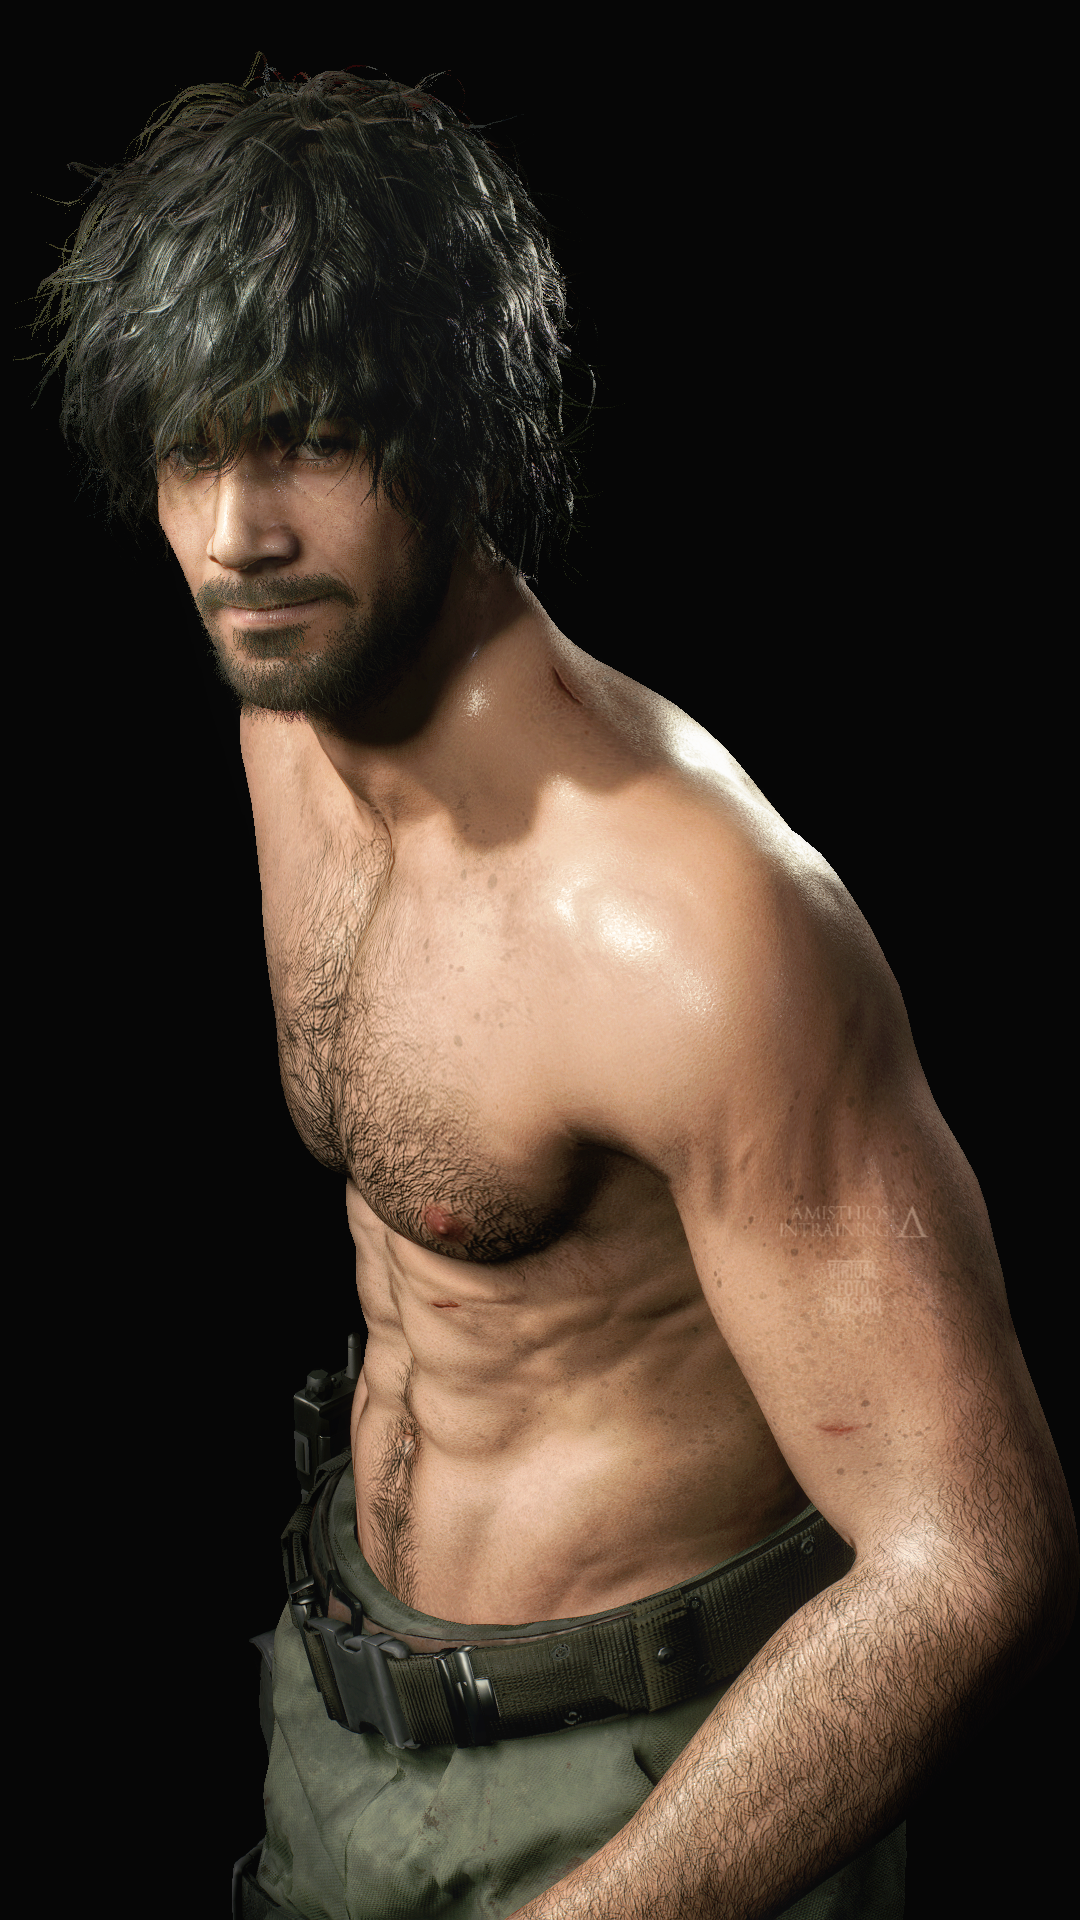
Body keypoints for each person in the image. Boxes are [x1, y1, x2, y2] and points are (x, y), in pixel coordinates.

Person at [30, 57, 1076, 1920]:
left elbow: (973, 1556)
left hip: (647, 1801)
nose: (236, 533)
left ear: (458, 431)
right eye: (193, 448)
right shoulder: (288, 720)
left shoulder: (687, 923)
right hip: (347, 1724)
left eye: (310, 437)